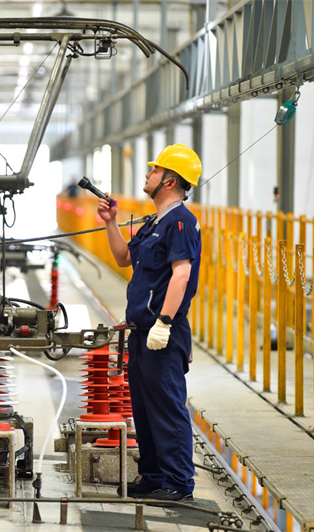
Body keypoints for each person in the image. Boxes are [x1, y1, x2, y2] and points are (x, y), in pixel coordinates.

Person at [97, 144, 202, 501]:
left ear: (169, 180)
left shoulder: (181, 222)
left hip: (163, 333)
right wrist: (111, 223)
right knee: (143, 406)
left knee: (167, 405)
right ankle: (155, 475)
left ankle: (178, 482)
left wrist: (165, 322)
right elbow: (124, 257)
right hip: (142, 333)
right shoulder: (154, 222)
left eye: (154, 171)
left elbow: (182, 273)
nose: (147, 175)